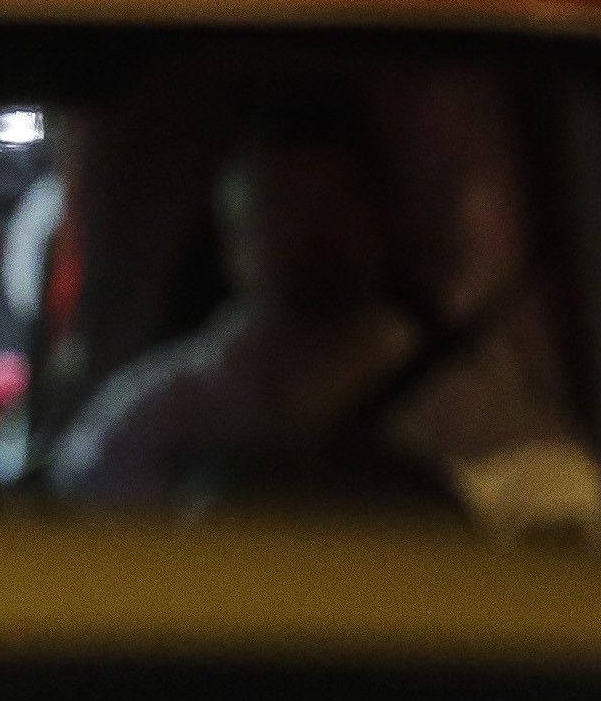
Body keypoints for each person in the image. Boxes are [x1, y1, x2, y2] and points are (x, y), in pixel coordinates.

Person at [48, 96, 432, 514]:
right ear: (233, 239)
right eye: (282, 206)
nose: (313, 232)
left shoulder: (458, 399)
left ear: (380, 222)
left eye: (335, 204)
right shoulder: (160, 415)